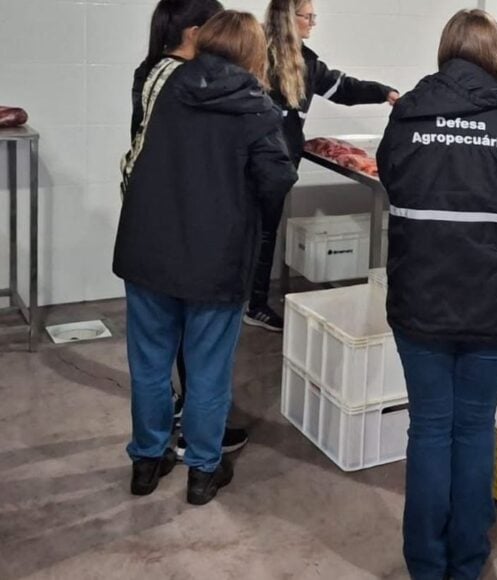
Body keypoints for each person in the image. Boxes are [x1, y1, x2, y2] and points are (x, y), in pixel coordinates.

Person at [376, 9, 497, 579]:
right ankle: (467, 562)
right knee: (474, 428)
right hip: (492, 307)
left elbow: (391, 184)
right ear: (496, 57)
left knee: (430, 428)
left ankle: (426, 565)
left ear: (446, 53)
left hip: (419, 304)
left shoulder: (406, 120)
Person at [114, 9, 297, 506]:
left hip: (148, 249)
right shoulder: (255, 107)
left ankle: (146, 462)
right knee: (208, 369)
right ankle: (202, 470)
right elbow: (278, 178)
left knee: (150, 364)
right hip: (215, 258)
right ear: (253, 53)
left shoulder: (166, 86)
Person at [130, 0, 250, 463]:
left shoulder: (155, 73)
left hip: (152, 232)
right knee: (203, 361)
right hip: (195, 235)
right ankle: (200, 454)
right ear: (197, 32)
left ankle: (149, 453)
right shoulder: (189, 81)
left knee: (154, 357)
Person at [244, 0, 400, 332]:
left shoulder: (307, 63)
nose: (313, 22)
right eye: (308, 16)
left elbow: (343, 89)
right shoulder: (255, 53)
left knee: (266, 233)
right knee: (249, 232)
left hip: (278, 168)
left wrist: (384, 92)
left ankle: (253, 304)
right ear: (290, 18)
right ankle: (243, 302)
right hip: (250, 165)